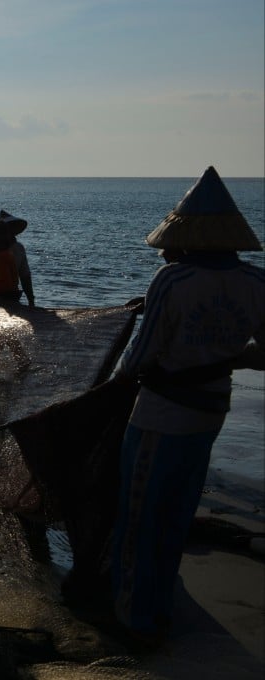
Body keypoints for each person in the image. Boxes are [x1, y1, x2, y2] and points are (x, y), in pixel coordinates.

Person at [109, 166, 265, 649]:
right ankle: (163, 608)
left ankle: (135, 618)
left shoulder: (173, 280)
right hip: (211, 411)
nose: (165, 251)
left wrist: (114, 387)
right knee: (178, 511)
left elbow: (141, 358)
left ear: (187, 240)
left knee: (140, 515)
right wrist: (227, 357)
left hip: (160, 415)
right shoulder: (256, 281)